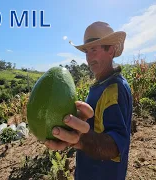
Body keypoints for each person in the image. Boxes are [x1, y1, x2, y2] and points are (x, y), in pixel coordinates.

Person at [44, 21, 133, 180]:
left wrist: (81, 140)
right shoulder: (99, 85)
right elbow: (92, 126)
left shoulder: (113, 88)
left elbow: (115, 146)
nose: (89, 58)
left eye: (94, 49)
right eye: (86, 51)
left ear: (111, 50)